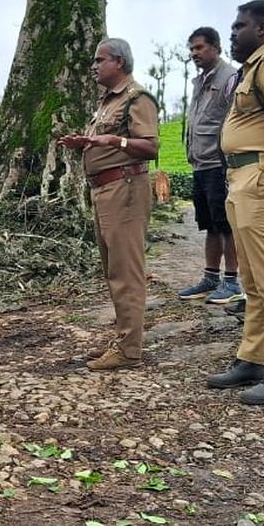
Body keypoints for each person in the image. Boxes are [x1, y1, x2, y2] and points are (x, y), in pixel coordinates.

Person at [204, 0, 264, 405]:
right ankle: (253, 358)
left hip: (261, 177)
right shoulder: (253, 67)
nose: (232, 32)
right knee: (251, 279)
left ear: (262, 29)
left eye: (239, 25)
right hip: (240, 177)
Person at [59, 38, 159, 371]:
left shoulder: (136, 99)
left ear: (118, 62)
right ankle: (124, 340)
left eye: (100, 60)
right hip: (105, 190)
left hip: (126, 189)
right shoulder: (106, 102)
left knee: (126, 273)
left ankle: (130, 351)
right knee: (113, 271)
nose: (94, 66)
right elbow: (103, 141)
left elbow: (150, 147)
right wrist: (85, 144)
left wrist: (114, 140)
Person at [177, 27, 242, 305]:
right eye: (192, 49)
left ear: (216, 47)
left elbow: (232, 119)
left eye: (200, 48)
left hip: (219, 163)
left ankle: (232, 282)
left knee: (226, 225)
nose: (194, 53)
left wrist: (229, 161)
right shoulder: (199, 81)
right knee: (210, 225)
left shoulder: (230, 78)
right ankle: (210, 277)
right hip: (200, 164)